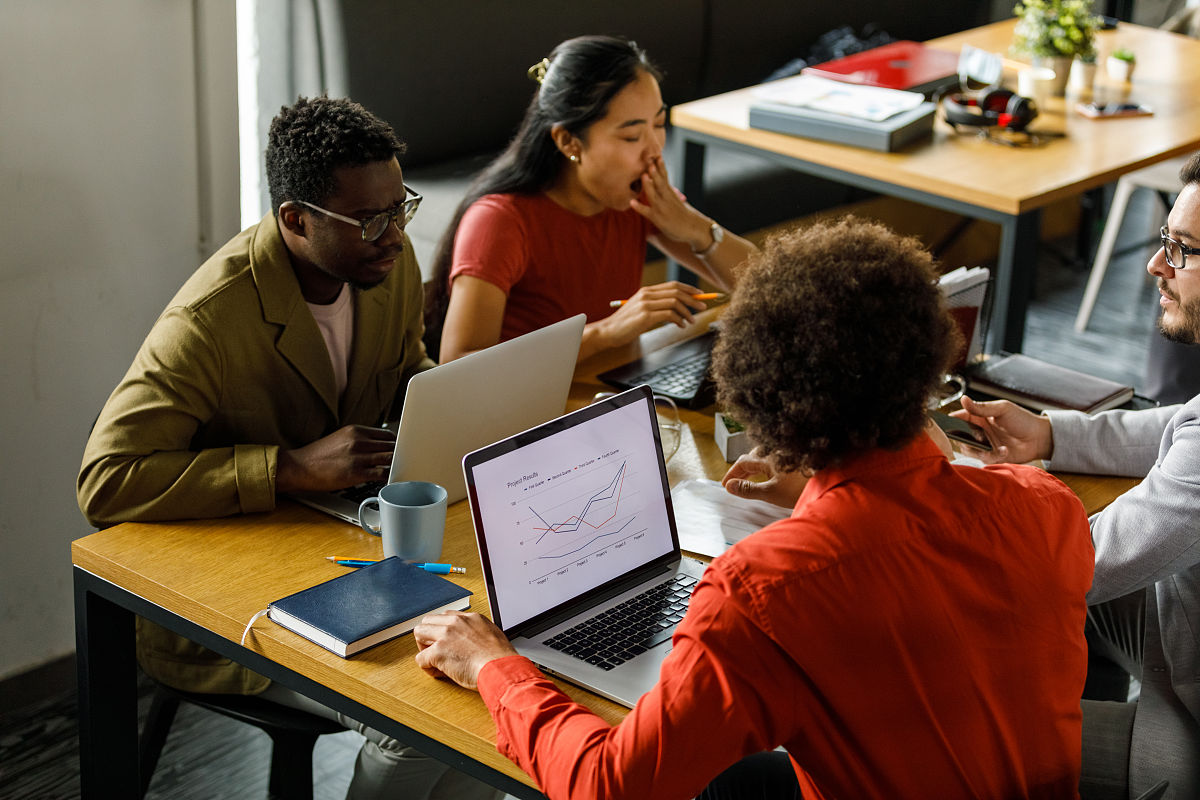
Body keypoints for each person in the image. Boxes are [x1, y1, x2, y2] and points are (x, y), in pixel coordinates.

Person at [412, 217, 1095, 799]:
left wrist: (493, 666)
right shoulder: (1045, 508)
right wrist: (821, 499)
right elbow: (917, 589)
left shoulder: (763, 590)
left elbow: (611, 785)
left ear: (764, 402)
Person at [77, 96, 498, 800]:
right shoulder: (208, 321)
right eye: (371, 219)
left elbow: (404, 369)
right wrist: (290, 469)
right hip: (231, 600)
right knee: (420, 723)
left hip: (342, 555)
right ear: (297, 220)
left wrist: (449, 403)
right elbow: (105, 480)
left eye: (401, 209)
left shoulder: (383, 265)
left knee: (487, 690)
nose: (396, 236)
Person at [954, 151, 1200, 800]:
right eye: (1164, 240)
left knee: (951, 735)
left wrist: (942, 494)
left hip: (1187, 739)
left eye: (1182, 250)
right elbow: (1182, 423)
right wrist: (1051, 433)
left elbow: (1072, 565)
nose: (1155, 265)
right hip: (1183, 635)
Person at [423, 35, 757, 363]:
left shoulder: (635, 197)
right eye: (631, 136)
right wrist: (605, 332)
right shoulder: (499, 221)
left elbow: (765, 287)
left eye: (659, 124)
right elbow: (459, 362)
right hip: (532, 400)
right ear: (569, 142)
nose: (655, 150)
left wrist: (696, 228)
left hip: (611, 386)